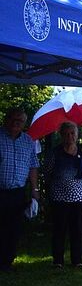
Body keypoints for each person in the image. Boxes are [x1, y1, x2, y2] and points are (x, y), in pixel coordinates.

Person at [0, 107, 39, 271]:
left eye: (20, 121)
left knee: (14, 227)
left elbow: (33, 167)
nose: (16, 123)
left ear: (24, 124)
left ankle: (8, 260)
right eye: (14, 119)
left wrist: (35, 189)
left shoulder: (28, 141)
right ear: (6, 119)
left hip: (18, 192)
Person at [44, 122, 82, 267]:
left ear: (77, 135)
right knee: (59, 230)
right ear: (61, 135)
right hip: (59, 198)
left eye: (72, 133)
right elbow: (47, 174)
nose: (70, 136)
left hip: (79, 198)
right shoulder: (55, 153)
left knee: (78, 231)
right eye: (66, 134)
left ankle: (77, 260)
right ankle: (58, 261)